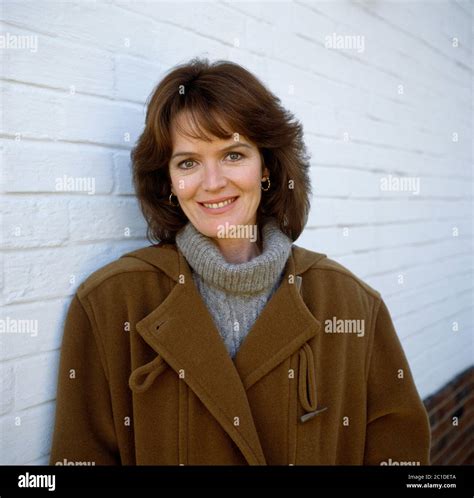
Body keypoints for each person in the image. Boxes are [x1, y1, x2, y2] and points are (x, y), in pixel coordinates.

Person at [49, 58, 431, 465]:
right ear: (169, 182)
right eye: (188, 162)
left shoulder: (351, 304)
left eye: (233, 154)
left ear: (266, 167)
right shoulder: (110, 303)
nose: (212, 182)